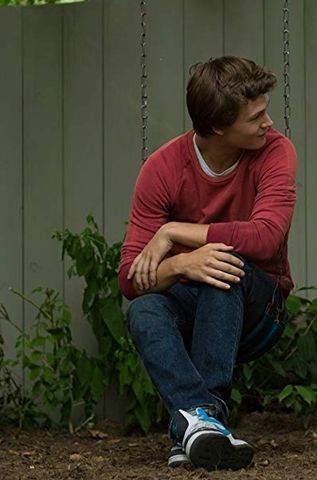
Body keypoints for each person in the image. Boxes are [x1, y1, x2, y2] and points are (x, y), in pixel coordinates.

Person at [119, 56, 297, 471]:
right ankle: (202, 425)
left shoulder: (276, 151)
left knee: (221, 265)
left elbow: (266, 237)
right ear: (218, 126)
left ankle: (201, 420)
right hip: (191, 304)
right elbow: (129, 278)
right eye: (255, 117)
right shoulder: (163, 167)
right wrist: (182, 266)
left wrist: (174, 233)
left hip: (259, 310)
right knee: (145, 309)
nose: (268, 123)